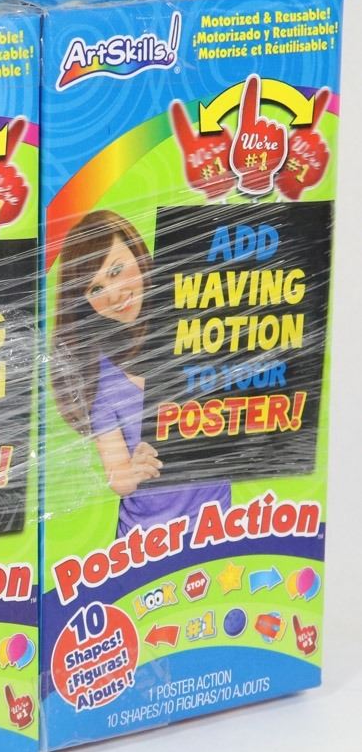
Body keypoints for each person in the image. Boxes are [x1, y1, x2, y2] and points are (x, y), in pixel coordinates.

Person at [51, 210, 230, 538]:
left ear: (138, 253)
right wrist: (132, 471)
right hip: (147, 539)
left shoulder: (197, 326)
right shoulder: (100, 377)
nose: (114, 295)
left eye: (116, 271)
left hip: (216, 522)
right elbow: (117, 475)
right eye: (95, 289)